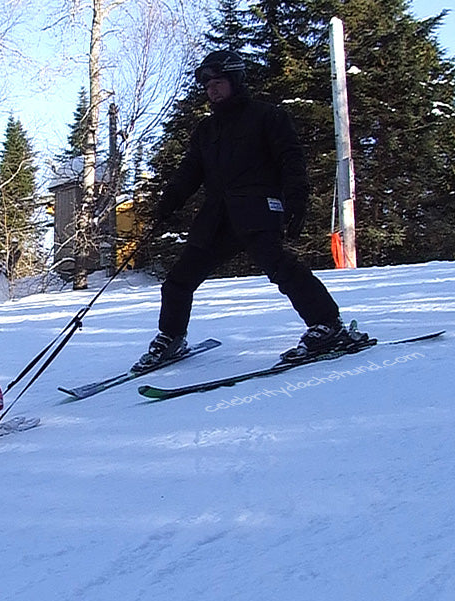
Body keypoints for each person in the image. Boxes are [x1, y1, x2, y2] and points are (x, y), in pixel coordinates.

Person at [133, 49, 368, 371]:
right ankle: (170, 337)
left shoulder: (267, 116)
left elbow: (291, 160)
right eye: (208, 85)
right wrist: (167, 203)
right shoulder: (206, 130)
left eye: (218, 82)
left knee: (282, 268)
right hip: (217, 218)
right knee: (178, 279)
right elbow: (189, 172)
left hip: (257, 210)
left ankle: (327, 325)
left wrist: (297, 199)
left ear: (236, 81)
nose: (212, 90)